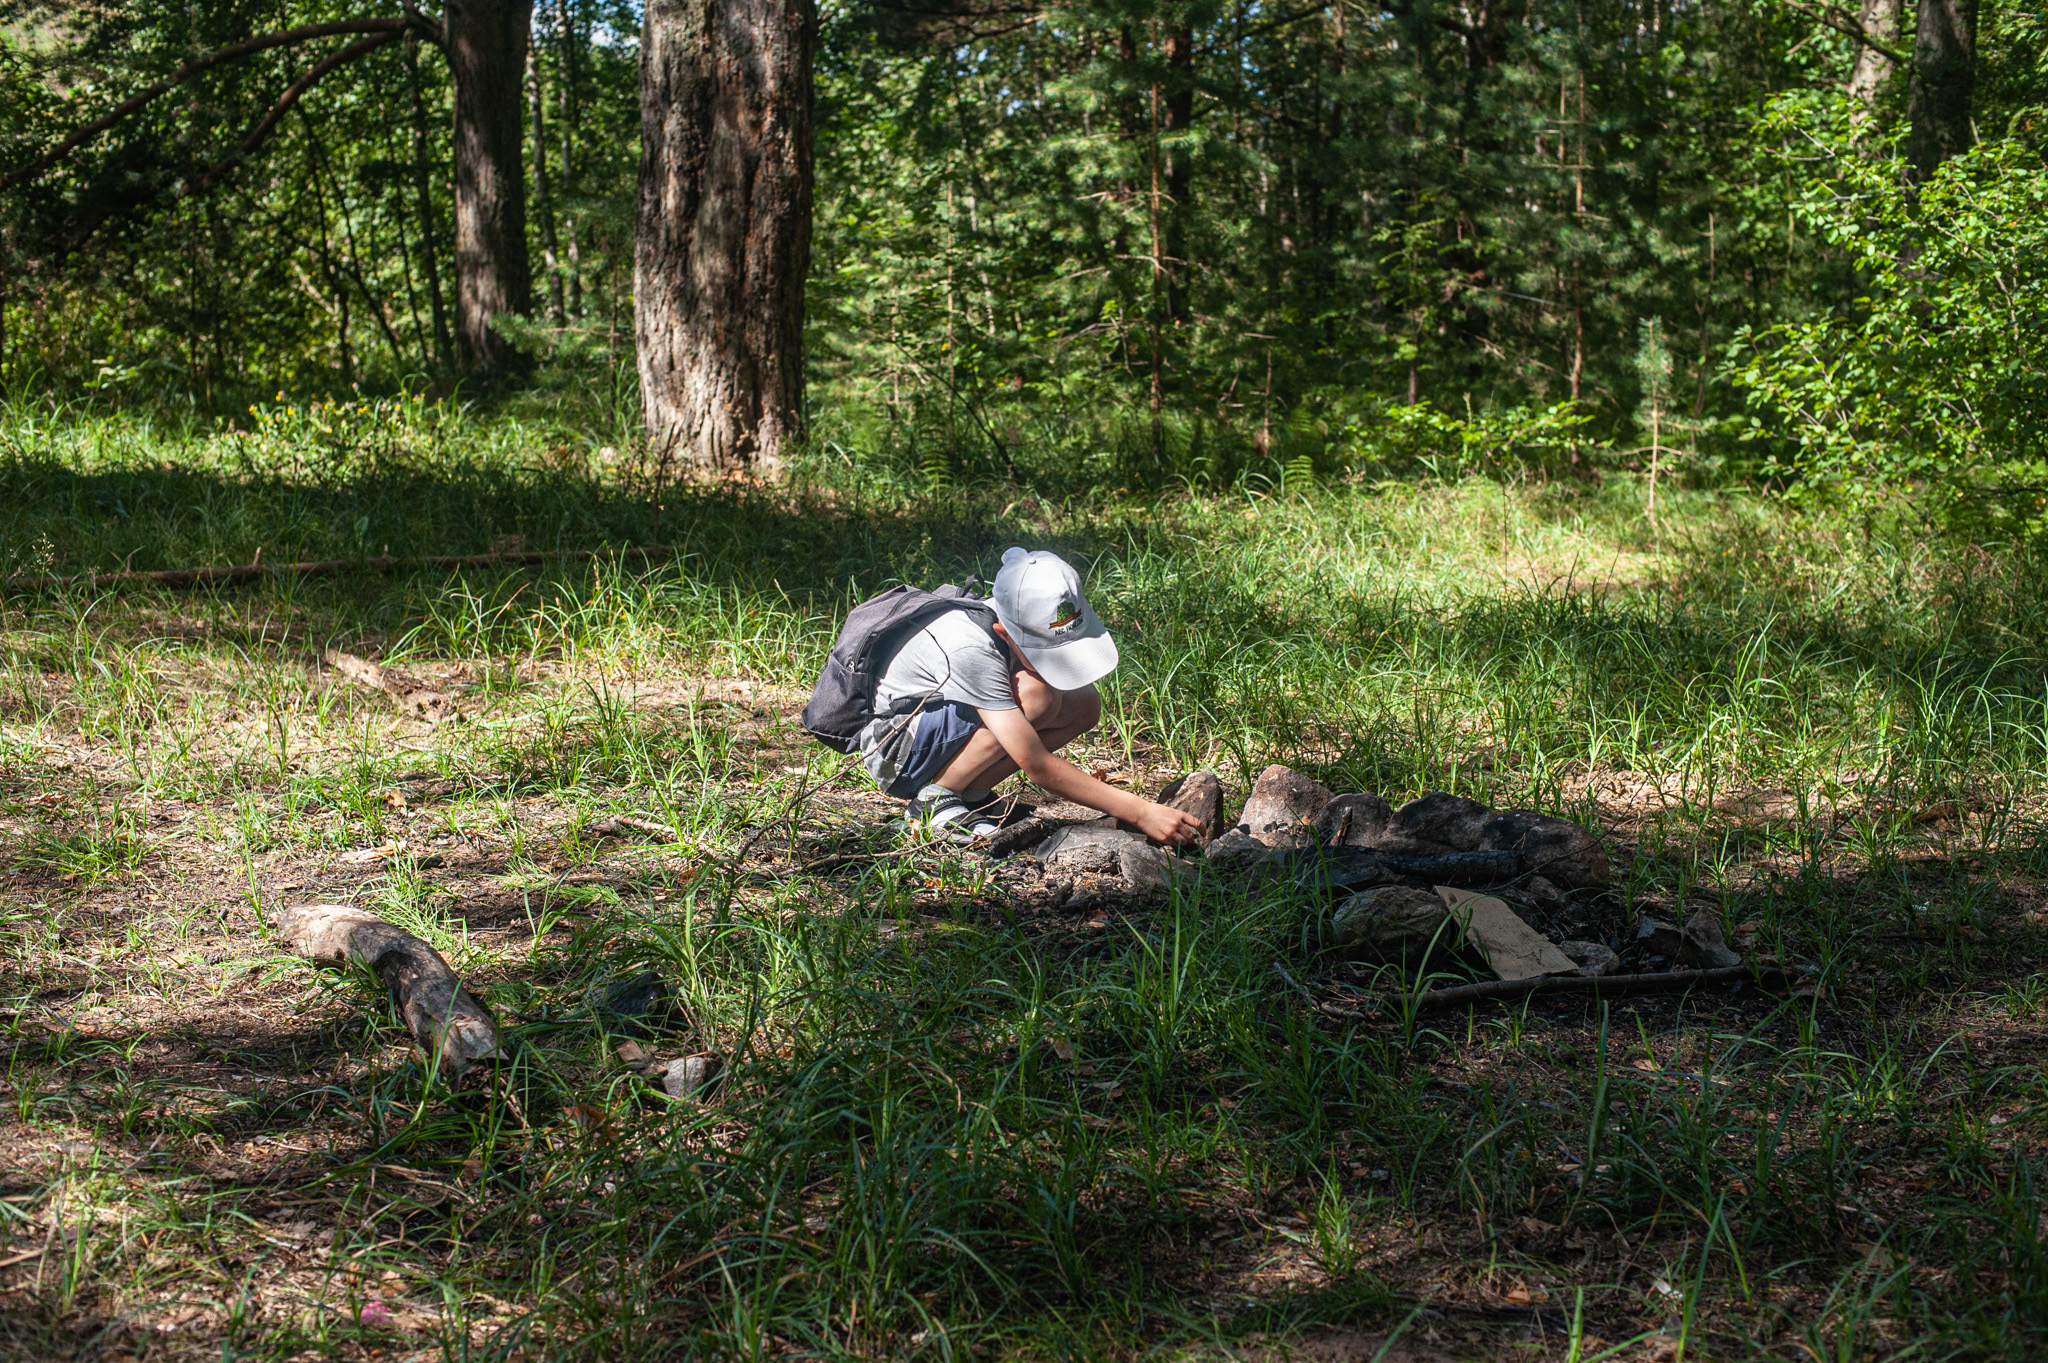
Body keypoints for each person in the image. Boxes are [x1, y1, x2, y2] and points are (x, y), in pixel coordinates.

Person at [858, 547, 1204, 845]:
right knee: (1039, 694)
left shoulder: (1019, 610)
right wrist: (1140, 811)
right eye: (1043, 652)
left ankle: (970, 794)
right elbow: (1035, 764)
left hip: (933, 733)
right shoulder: (969, 646)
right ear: (1003, 633)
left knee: (1084, 704)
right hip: (897, 752)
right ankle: (936, 799)